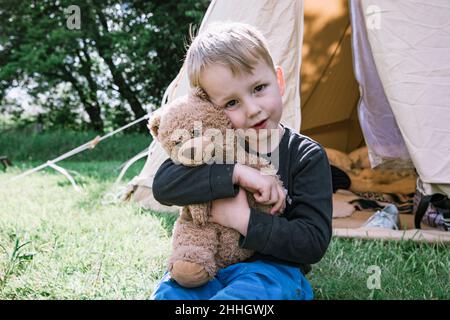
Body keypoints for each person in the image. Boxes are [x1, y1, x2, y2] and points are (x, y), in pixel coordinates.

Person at [150, 22, 332, 300]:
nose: (252, 109)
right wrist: (235, 173)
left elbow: (312, 242)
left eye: (259, 88)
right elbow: (164, 186)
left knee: (248, 297)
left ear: (279, 81)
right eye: (231, 103)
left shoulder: (306, 156)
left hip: (273, 269)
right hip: (210, 266)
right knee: (171, 294)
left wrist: (243, 219)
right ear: (212, 109)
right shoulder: (213, 144)